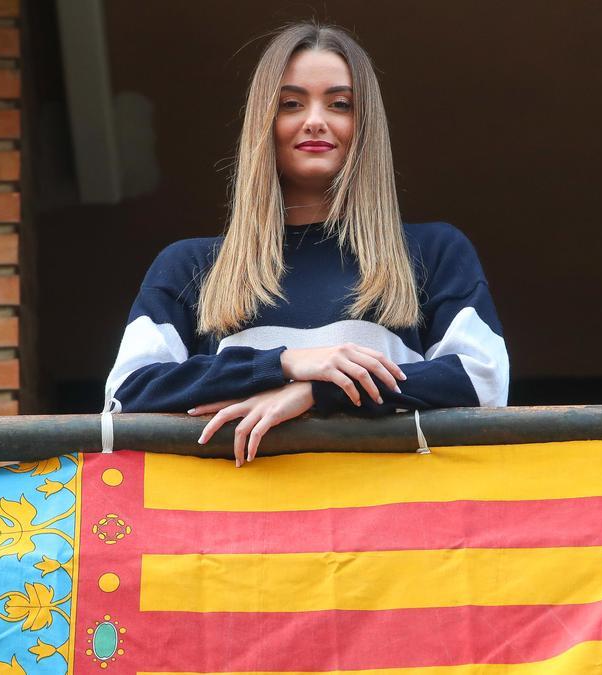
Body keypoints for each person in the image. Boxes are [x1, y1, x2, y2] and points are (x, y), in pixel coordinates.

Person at [103, 23, 509, 466]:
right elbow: (125, 398)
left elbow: (483, 382)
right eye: (291, 103)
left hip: (392, 526)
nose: (315, 120)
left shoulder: (433, 252)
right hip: (238, 524)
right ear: (265, 122)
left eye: (339, 104)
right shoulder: (191, 266)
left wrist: (318, 391)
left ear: (364, 125)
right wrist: (284, 364)